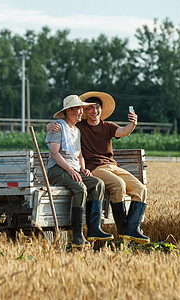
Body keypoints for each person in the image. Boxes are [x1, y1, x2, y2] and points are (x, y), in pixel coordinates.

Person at [47, 91, 149, 244]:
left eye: (97, 108)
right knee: (117, 185)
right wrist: (48, 125)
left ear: (101, 110)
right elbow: (56, 134)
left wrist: (133, 124)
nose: (92, 111)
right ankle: (119, 231)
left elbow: (123, 131)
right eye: (88, 108)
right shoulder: (78, 126)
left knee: (141, 189)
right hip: (95, 168)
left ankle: (132, 229)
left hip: (111, 166)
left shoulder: (101, 127)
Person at [46, 95, 114, 248]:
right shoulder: (57, 127)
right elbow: (54, 153)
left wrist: (83, 168)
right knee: (80, 187)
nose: (81, 112)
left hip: (75, 169)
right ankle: (77, 236)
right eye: (79, 109)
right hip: (57, 170)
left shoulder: (77, 130)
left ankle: (94, 229)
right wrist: (70, 170)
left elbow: (80, 154)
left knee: (98, 184)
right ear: (69, 110)